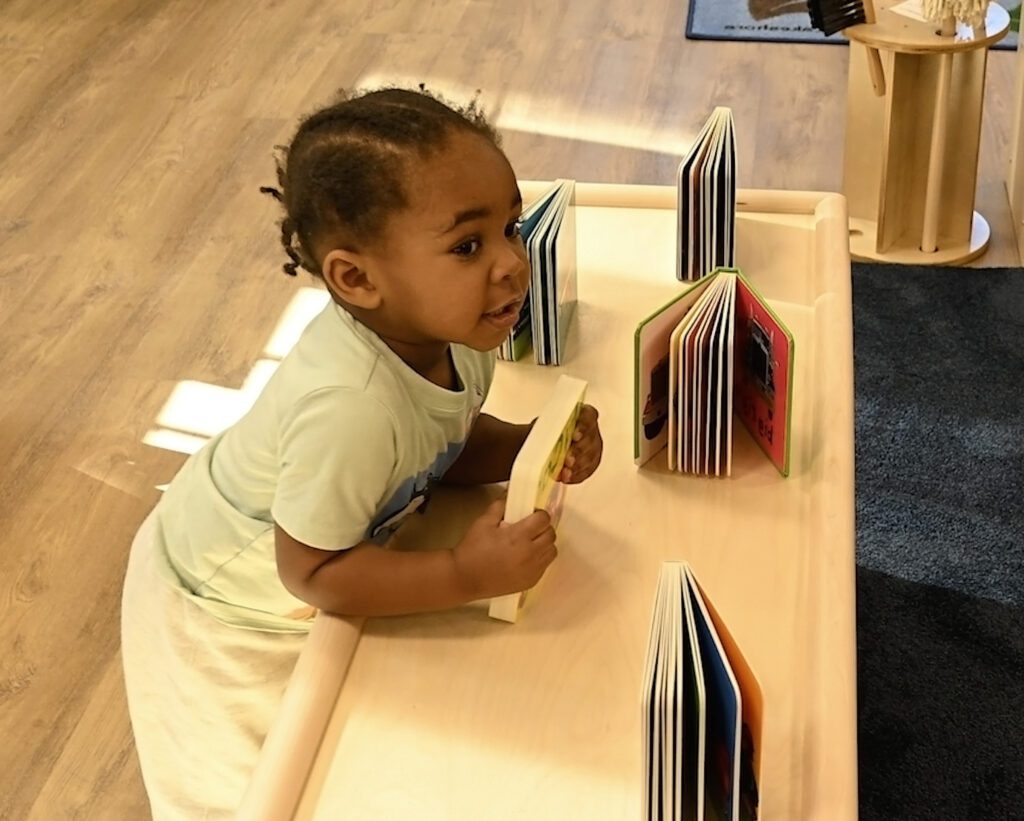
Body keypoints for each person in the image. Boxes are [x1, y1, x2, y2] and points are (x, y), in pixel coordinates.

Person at [120, 85, 603, 818]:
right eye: (469, 245)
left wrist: (528, 446)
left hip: (306, 527)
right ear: (357, 278)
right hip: (221, 596)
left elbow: (445, 439)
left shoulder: (455, 336)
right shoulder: (351, 408)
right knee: (247, 792)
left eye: (512, 224)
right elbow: (311, 570)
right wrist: (460, 573)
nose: (510, 262)